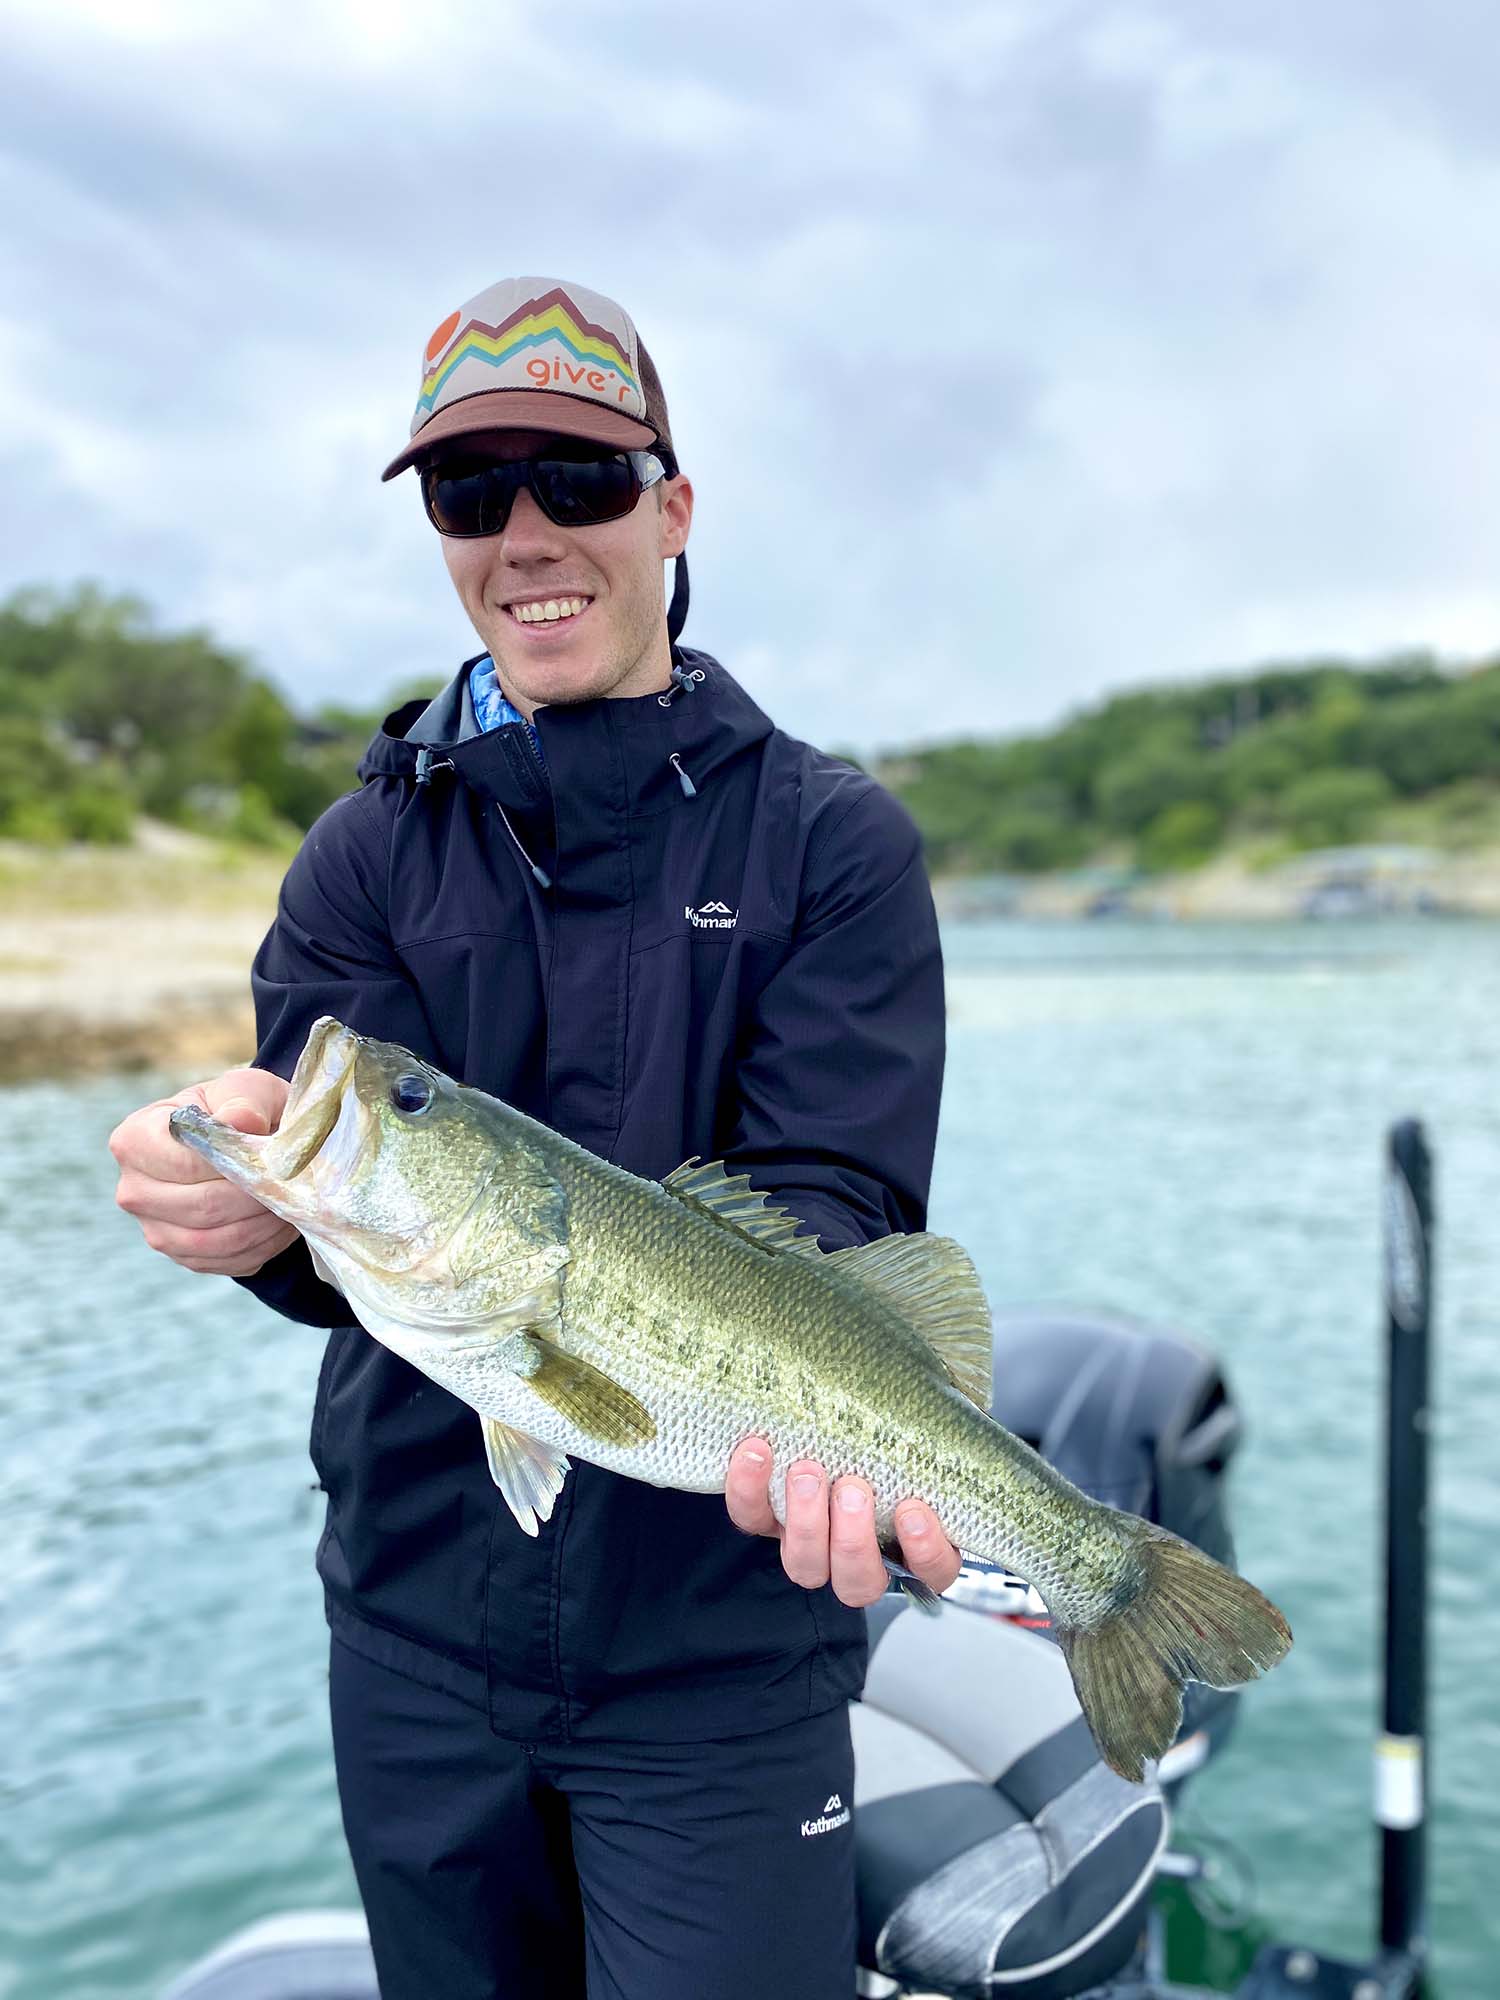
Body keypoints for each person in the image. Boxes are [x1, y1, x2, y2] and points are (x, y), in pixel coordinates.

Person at [109, 275, 958, 2000]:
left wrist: (824, 1424)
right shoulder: (360, 855)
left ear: (672, 507)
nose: (523, 536)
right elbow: (357, 1229)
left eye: (576, 483)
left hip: (723, 1654)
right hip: (415, 1637)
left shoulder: (833, 842)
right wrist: (256, 1217)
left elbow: (839, 1197)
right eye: (467, 492)